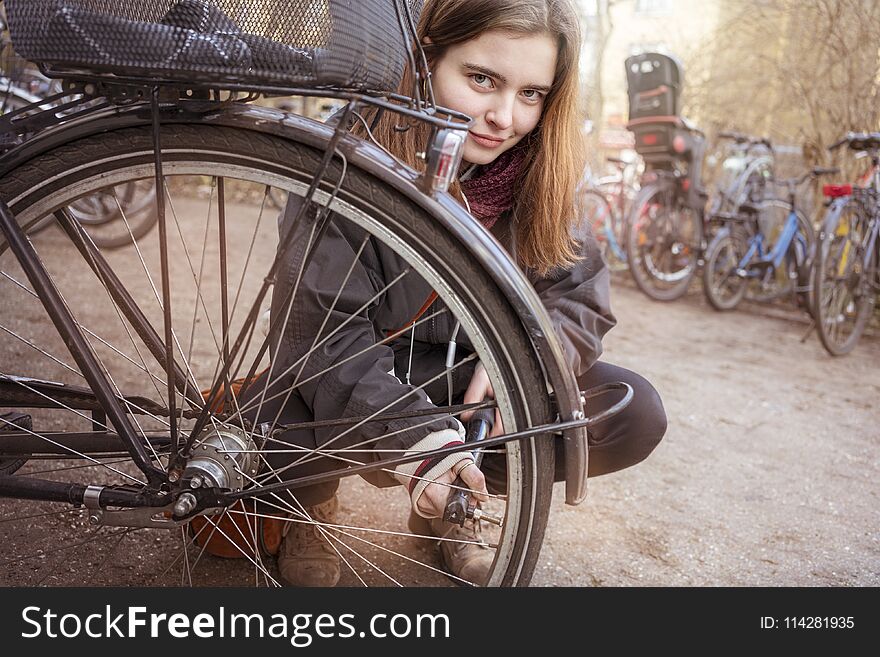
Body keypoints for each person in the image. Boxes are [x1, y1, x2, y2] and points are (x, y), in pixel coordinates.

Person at [247, 0, 667, 587]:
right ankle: (308, 506)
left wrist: (524, 366)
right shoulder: (345, 155)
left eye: (531, 94)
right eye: (482, 79)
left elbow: (579, 298)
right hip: (354, 378)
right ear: (427, 60)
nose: (504, 117)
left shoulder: (541, 173)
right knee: (274, 410)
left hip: (467, 385)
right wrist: (415, 438)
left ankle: (459, 502)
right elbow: (320, 335)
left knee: (631, 409)